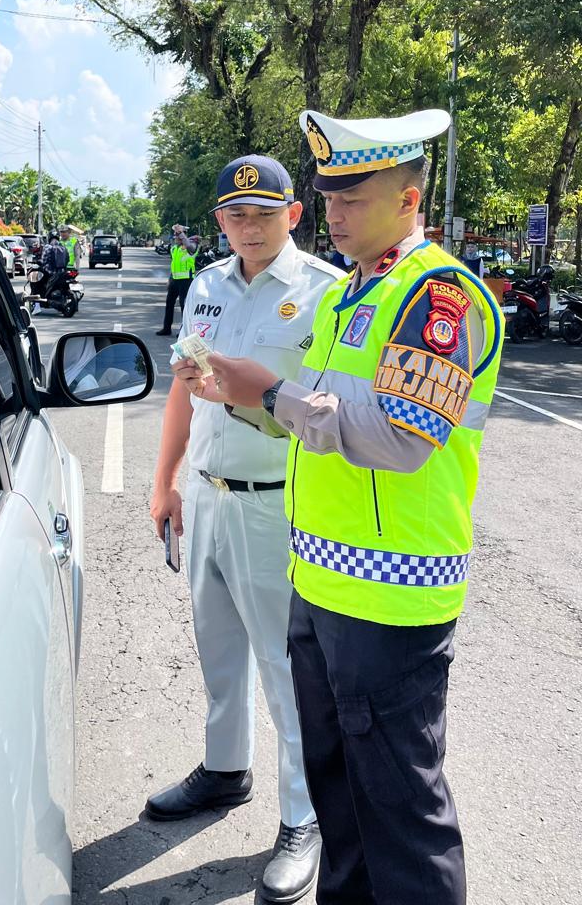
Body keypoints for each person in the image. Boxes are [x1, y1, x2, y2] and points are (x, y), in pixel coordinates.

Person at [196, 110, 504, 905]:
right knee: (341, 800)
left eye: (352, 196)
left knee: (402, 814)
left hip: (392, 596)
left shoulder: (440, 297)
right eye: (327, 195)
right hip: (321, 581)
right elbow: (320, 420)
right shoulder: (352, 296)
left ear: (408, 198)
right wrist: (246, 397)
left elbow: (401, 438)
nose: (332, 211)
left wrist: (270, 393)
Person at [149, 156, 340, 904]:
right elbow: (182, 388)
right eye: (235, 215)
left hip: (275, 507)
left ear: (296, 214)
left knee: (286, 667)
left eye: (264, 213)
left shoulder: (324, 294)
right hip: (207, 498)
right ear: (220, 220)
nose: (249, 227)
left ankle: (303, 815)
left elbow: (328, 415)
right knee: (218, 650)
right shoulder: (205, 285)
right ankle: (225, 769)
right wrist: (164, 483)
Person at [155, 225, 200, 336]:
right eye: (175, 235)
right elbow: (174, 265)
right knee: (169, 304)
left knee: (184, 306)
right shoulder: (175, 248)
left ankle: (183, 331)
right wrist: (170, 280)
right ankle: (166, 328)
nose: (176, 237)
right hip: (174, 280)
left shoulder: (192, 246)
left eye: (178, 235)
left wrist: (181, 233)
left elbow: (190, 247)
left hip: (186, 281)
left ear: (183, 235)